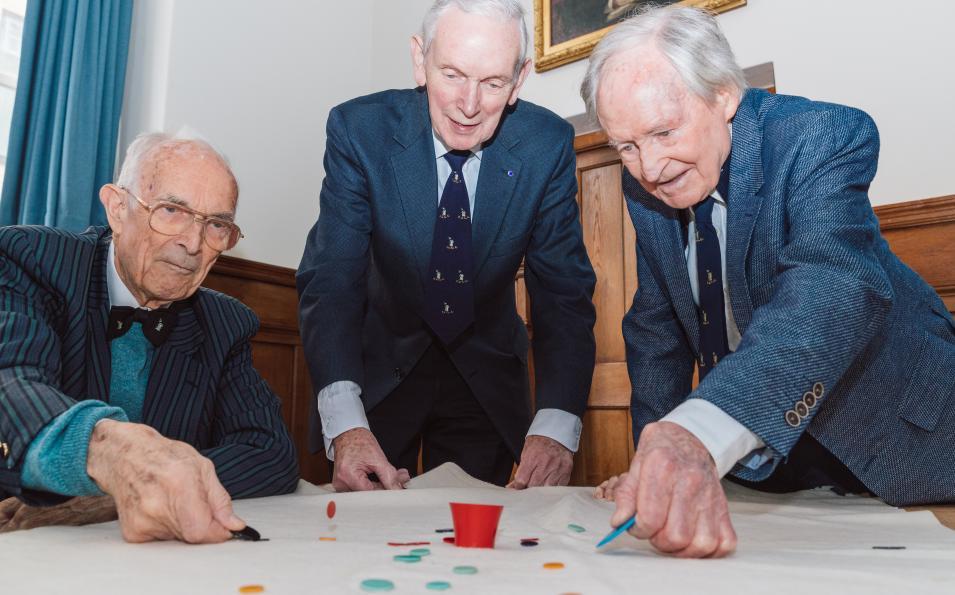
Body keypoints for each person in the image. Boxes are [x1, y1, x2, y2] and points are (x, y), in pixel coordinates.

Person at [582, 6, 955, 558]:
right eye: (627, 147)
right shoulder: (647, 188)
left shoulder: (820, 136)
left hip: (899, 443)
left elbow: (833, 286)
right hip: (769, 461)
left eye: (663, 131)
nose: (650, 166)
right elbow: (657, 331)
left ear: (724, 95)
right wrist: (654, 464)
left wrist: (697, 436)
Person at [296, 0, 596, 492]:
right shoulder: (360, 131)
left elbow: (563, 292)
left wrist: (557, 426)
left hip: (484, 379)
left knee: (478, 546)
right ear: (420, 60)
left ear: (520, 80)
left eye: (494, 83)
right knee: (360, 539)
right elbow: (332, 279)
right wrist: (346, 425)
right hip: (377, 374)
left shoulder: (547, 144)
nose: (469, 103)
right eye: (453, 74)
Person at [0, 133, 299, 542]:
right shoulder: (34, 257)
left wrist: (114, 497)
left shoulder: (227, 323)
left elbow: (270, 453)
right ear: (118, 209)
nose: (192, 244)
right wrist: (109, 456)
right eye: (172, 210)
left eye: (216, 224)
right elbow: (11, 384)